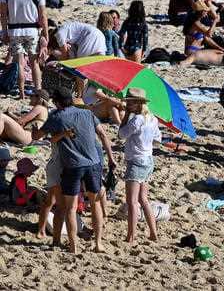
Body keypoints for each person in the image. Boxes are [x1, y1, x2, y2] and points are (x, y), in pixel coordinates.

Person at [34, 87, 116, 253]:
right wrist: (111, 157)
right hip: (93, 162)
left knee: (70, 208)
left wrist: (35, 128)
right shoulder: (87, 113)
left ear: (56, 102)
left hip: (72, 165)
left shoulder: (57, 116)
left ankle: (73, 246)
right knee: (95, 204)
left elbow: (36, 137)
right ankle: (98, 243)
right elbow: (103, 135)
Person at [117, 88, 161, 243]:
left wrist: (126, 116)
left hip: (136, 161)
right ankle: (153, 232)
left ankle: (131, 235)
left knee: (132, 202)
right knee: (144, 199)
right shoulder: (152, 118)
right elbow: (157, 139)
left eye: (130, 102)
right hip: (148, 159)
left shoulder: (136, 120)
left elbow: (121, 134)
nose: (128, 104)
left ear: (138, 103)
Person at [0, 0, 48, 98]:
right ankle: (38, 91)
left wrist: (5, 33)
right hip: (32, 31)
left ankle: (21, 93)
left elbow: (3, 15)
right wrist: (45, 35)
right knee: (34, 63)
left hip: (14, 31)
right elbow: (43, 16)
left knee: (19, 63)